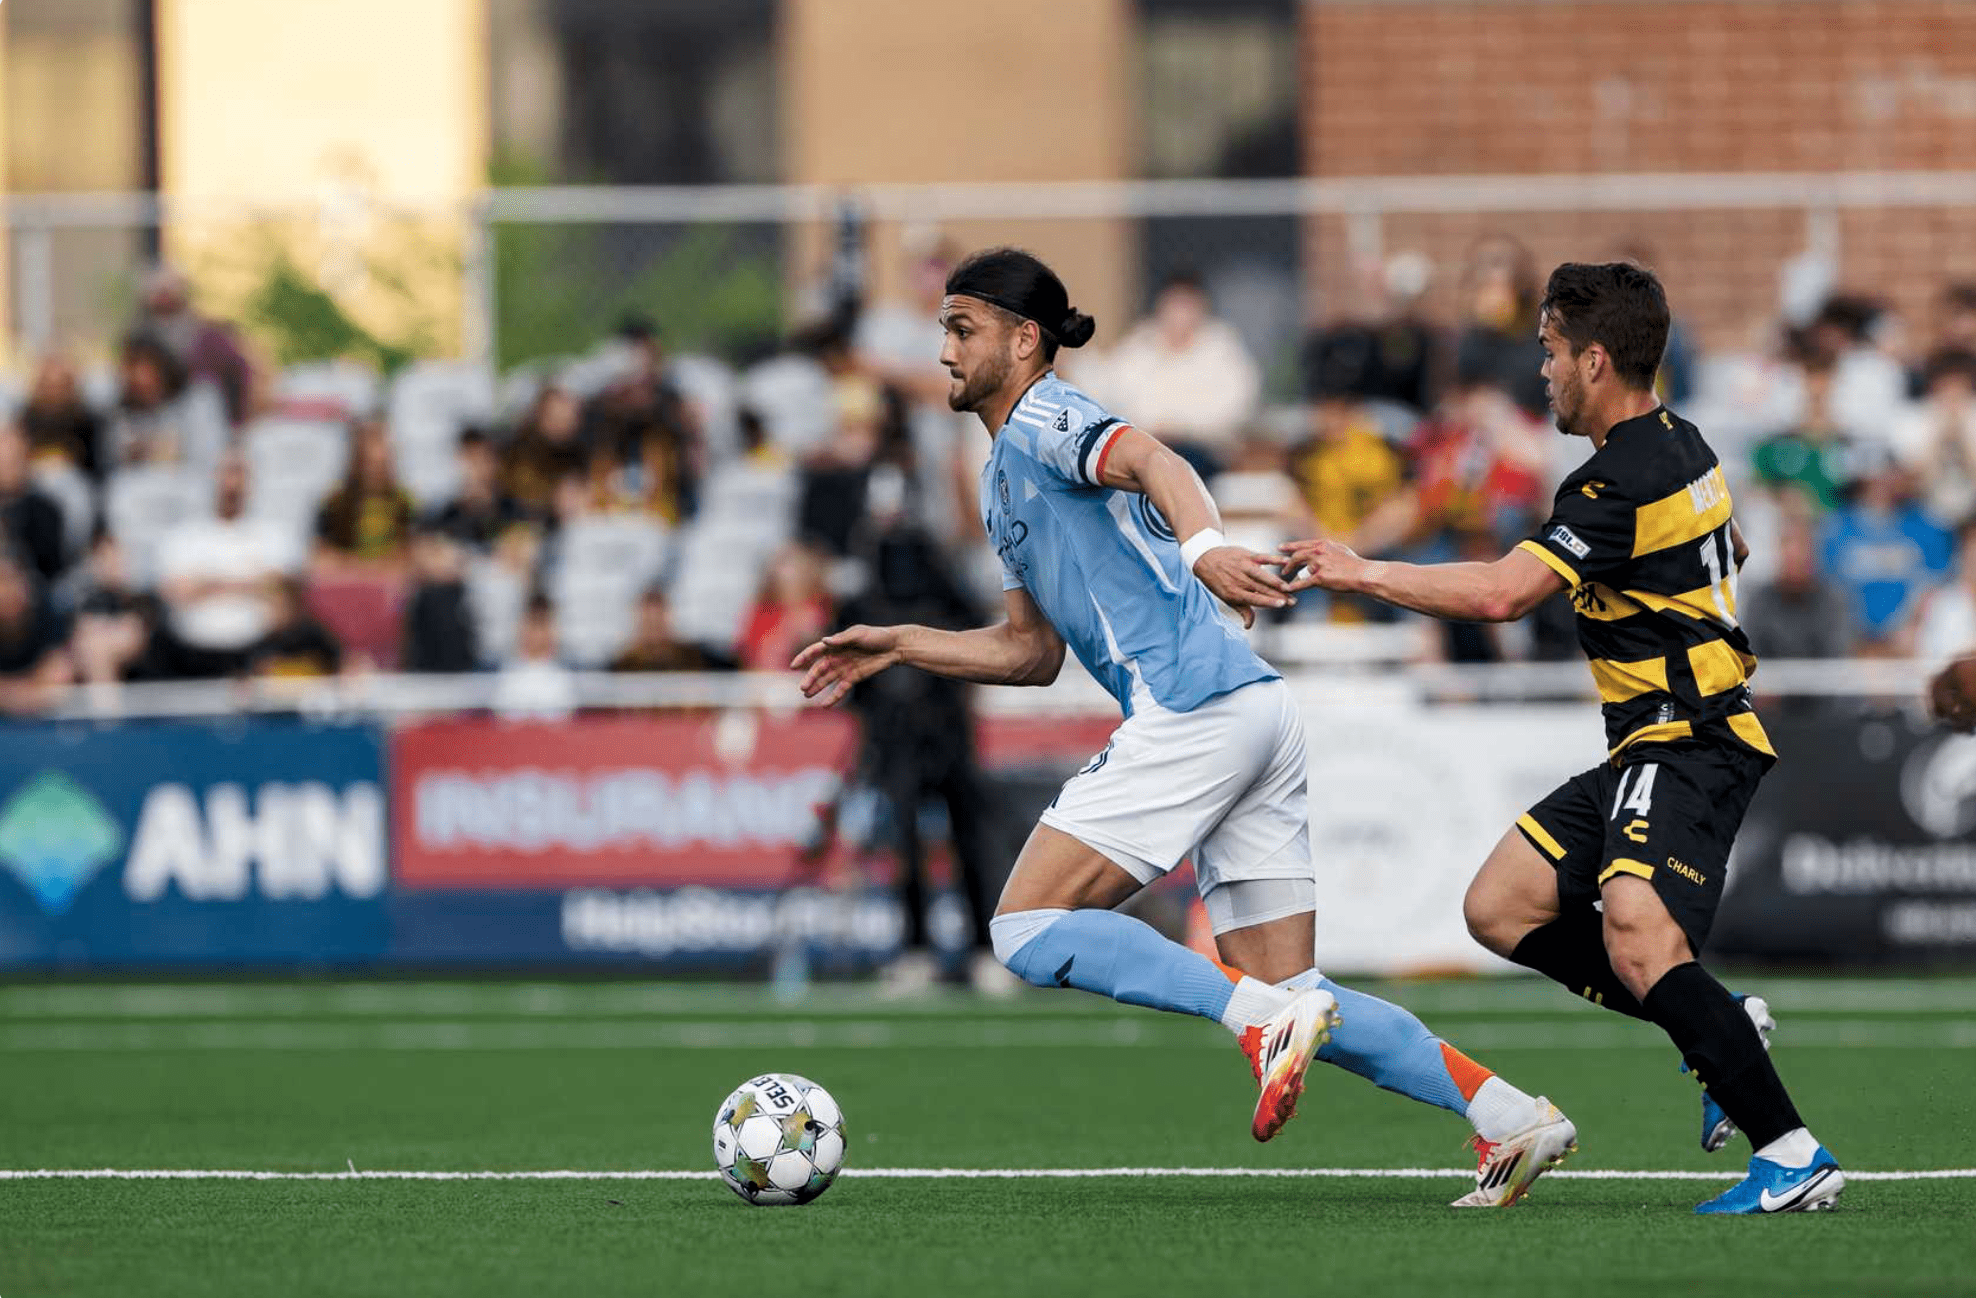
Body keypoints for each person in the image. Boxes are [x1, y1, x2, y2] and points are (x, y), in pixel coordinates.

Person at [794, 247, 1573, 1208]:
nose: (944, 350)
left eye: (962, 328)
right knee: (1299, 994)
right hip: (1249, 711)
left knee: (1026, 926)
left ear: (1024, 339)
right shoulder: (1002, 478)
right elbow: (1030, 655)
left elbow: (1156, 458)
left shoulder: (1044, 413)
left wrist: (1205, 548)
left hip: (1193, 710)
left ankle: (1251, 1020)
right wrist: (906, 642)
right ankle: (1510, 1116)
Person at [1281, 262, 1843, 1214]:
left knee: (1632, 929)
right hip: (1649, 741)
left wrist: (1358, 571)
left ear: (1594, 359)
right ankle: (1724, 1025)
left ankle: (1792, 1152)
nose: (1538, 373)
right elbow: (1732, 546)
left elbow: (1503, 594)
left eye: (1547, 353)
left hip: (1691, 737)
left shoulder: (1622, 473)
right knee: (1500, 906)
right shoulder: (1683, 445)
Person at [154, 451, 304, 678]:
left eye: (239, 473)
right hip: (190, 651)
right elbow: (177, 593)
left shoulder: (275, 535)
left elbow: (282, 598)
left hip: (256, 649)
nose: (231, 483)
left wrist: (208, 583)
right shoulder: (183, 536)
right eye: (226, 472)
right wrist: (250, 584)